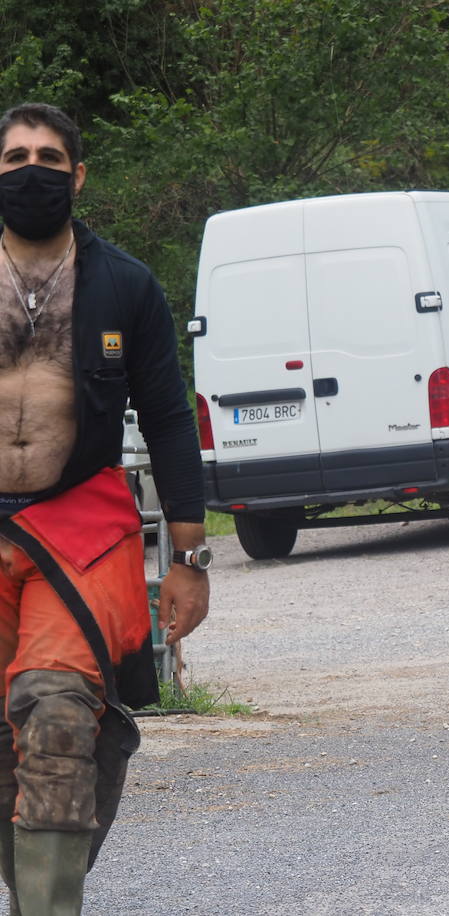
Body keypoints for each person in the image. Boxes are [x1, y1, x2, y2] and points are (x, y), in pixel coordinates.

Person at [0, 102, 210, 911]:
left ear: (78, 175)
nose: (32, 170)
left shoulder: (124, 283)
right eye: (15, 155)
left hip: (77, 527)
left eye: (50, 156)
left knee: (56, 716)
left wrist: (187, 563)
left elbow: (167, 422)